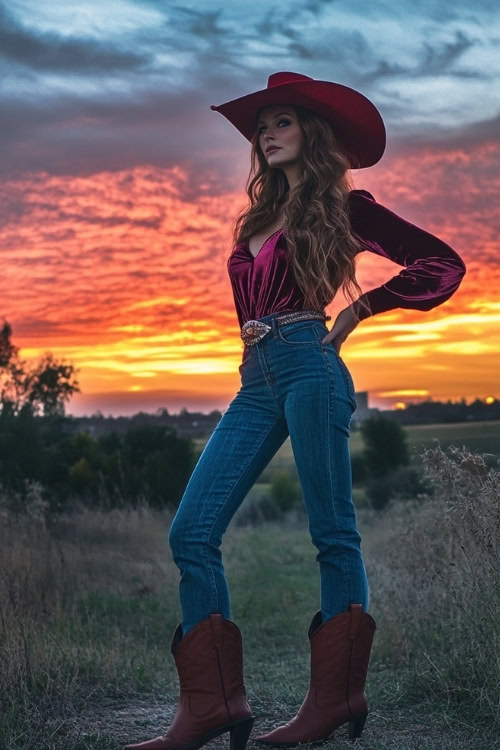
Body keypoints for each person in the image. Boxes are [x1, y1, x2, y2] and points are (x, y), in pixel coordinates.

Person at [124, 72, 466, 750]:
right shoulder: (254, 219)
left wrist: (362, 308)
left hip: (312, 365)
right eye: (262, 127)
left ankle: (337, 696)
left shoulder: (345, 206)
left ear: (313, 131)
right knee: (191, 532)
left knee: (332, 533)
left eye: (282, 122)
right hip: (256, 379)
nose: (268, 135)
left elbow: (442, 263)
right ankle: (213, 704)